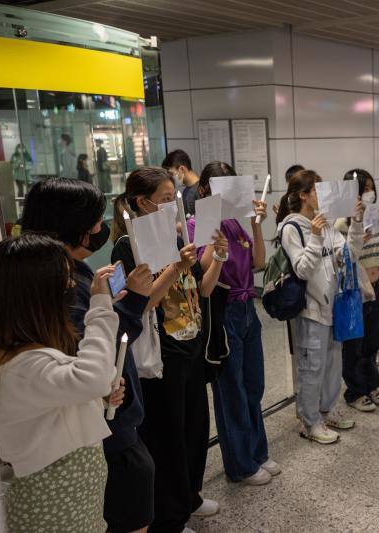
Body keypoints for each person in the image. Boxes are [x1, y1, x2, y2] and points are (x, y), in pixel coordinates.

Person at [21, 177, 156, 533]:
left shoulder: (67, 272)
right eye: (95, 220)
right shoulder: (60, 282)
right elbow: (98, 353)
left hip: (100, 420)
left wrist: (106, 300)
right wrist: (130, 302)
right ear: (72, 225)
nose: (101, 228)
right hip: (106, 426)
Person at [112, 166, 228, 532]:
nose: (171, 205)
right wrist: (176, 267)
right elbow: (140, 305)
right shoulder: (127, 245)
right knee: (167, 438)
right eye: (164, 199)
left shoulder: (176, 238)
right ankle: (170, 517)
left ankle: (189, 496)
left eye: (173, 198)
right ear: (142, 202)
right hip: (162, 356)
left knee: (194, 428)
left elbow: (202, 290)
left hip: (190, 343)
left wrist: (217, 256)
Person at [0, 233, 119, 533]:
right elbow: (92, 378)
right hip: (51, 502)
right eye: (65, 281)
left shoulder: (33, 355)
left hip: (72, 499)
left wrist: (97, 400)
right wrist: (101, 305)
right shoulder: (19, 366)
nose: (71, 287)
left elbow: (55, 409)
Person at [187, 161, 281, 486]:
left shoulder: (237, 225)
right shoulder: (199, 223)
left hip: (247, 311)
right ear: (204, 190)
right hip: (223, 311)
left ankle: (256, 450)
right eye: (218, 185)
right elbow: (201, 276)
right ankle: (240, 464)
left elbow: (258, 262)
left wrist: (256, 224)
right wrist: (215, 244)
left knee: (253, 385)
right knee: (231, 391)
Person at [276, 169, 364, 444]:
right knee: (311, 367)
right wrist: (314, 236)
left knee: (331, 364)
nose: (323, 195)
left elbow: (348, 255)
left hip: (332, 306)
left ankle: (327, 410)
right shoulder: (291, 228)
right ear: (303, 195)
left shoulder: (325, 224)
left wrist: (357, 223)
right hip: (310, 310)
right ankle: (309, 421)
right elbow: (302, 270)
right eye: (317, 190)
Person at [335, 169, 379, 413]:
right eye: (363, 189)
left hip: (375, 287)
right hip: (354, 290)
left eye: (370, 188)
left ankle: (371, 384)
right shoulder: (342, 223)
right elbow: (342, 258)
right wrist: (360, 239)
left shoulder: (377, 218)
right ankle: (355, 391)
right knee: (354, 344)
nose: (369, 193)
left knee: (371, 341)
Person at [162, 149, 200, 217]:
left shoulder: (200, 190)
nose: (170, 178)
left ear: (182, 169)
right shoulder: (186, 191)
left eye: (171, 173)